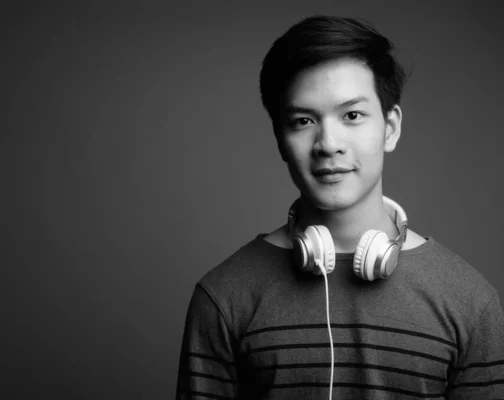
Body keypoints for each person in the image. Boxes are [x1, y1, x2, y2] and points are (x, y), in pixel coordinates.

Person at [175, 15, 504, 399]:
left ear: (390, 127)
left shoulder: (469, 300)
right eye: (302, 120)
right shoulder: (223, 296)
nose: (328, 143)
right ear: (280, 140)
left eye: (352, 115)